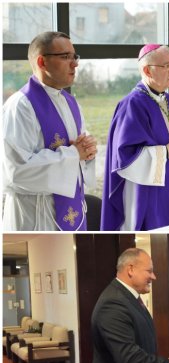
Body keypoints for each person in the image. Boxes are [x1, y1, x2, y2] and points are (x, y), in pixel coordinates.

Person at [3, 31, 97, 231]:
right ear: (42, 62)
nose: (75, 64)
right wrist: (74, 154)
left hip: (70, 208)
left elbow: (79, 152)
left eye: (74, 56)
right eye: (65, 57)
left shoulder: (70, 102)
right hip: (36, 215)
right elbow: (17, 171)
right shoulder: (21, 106)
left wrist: (87, 151)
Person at [102, 44, 169, 231]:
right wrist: (164, 153)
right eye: (166, 66)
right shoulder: (132, 105)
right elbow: (125, 157)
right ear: (147, 70)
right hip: (152, 196)